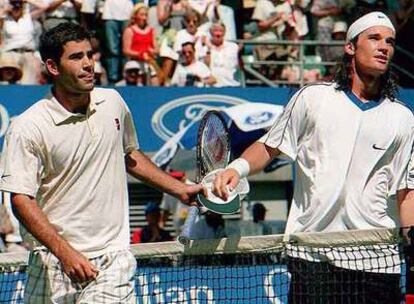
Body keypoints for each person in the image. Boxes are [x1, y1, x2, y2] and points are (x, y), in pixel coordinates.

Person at [213, 11, 414, 303]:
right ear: (350, 47)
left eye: (390, 41)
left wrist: (411, 240)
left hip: (375, 258)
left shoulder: (402, 118)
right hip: (313, 254)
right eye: (374, 38)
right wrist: (237, 168)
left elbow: (406, 190)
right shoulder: (312, 98)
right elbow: (270, 146)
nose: (384, 46)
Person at [0, 22, 204, 303]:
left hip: (112, 258)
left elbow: (129, 154)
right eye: (76, 57)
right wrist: (65, 252)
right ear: (53, 67)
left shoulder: (113, 102)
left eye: (90, 55)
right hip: (52, 261)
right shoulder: (27, 126)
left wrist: (178, 189)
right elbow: (21, 200)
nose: (88, 65)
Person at [205, 22, 240, 87]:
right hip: (211, 87)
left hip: (231, 85)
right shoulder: (204, 47)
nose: (218, 34)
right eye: (215, 31)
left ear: (224, 32)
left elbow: (239, 65)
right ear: (210, 32)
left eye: (221, 31)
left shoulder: (233, 47)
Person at [159, 169, 191, 236]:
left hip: (195, 231)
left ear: (184, 177)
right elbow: (165, 211)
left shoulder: (193, 187)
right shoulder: (168, 192)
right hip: (178, 232)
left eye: (178, 178)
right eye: (174, 179)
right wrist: (160, 227)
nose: (176, 181)